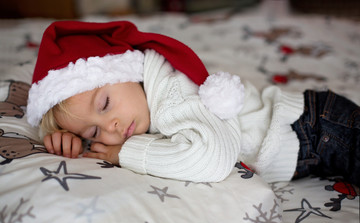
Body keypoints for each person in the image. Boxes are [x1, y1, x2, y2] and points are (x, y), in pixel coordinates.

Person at [27, 21, 360, 186]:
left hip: (316, 128)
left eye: (105, 104)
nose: (110, 127)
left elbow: (212, 161)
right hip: (310, 139)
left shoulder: (170, 93)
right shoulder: (135, 103)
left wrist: (121, 154)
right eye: (92, 132)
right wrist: (71, 143)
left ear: (127, 70)